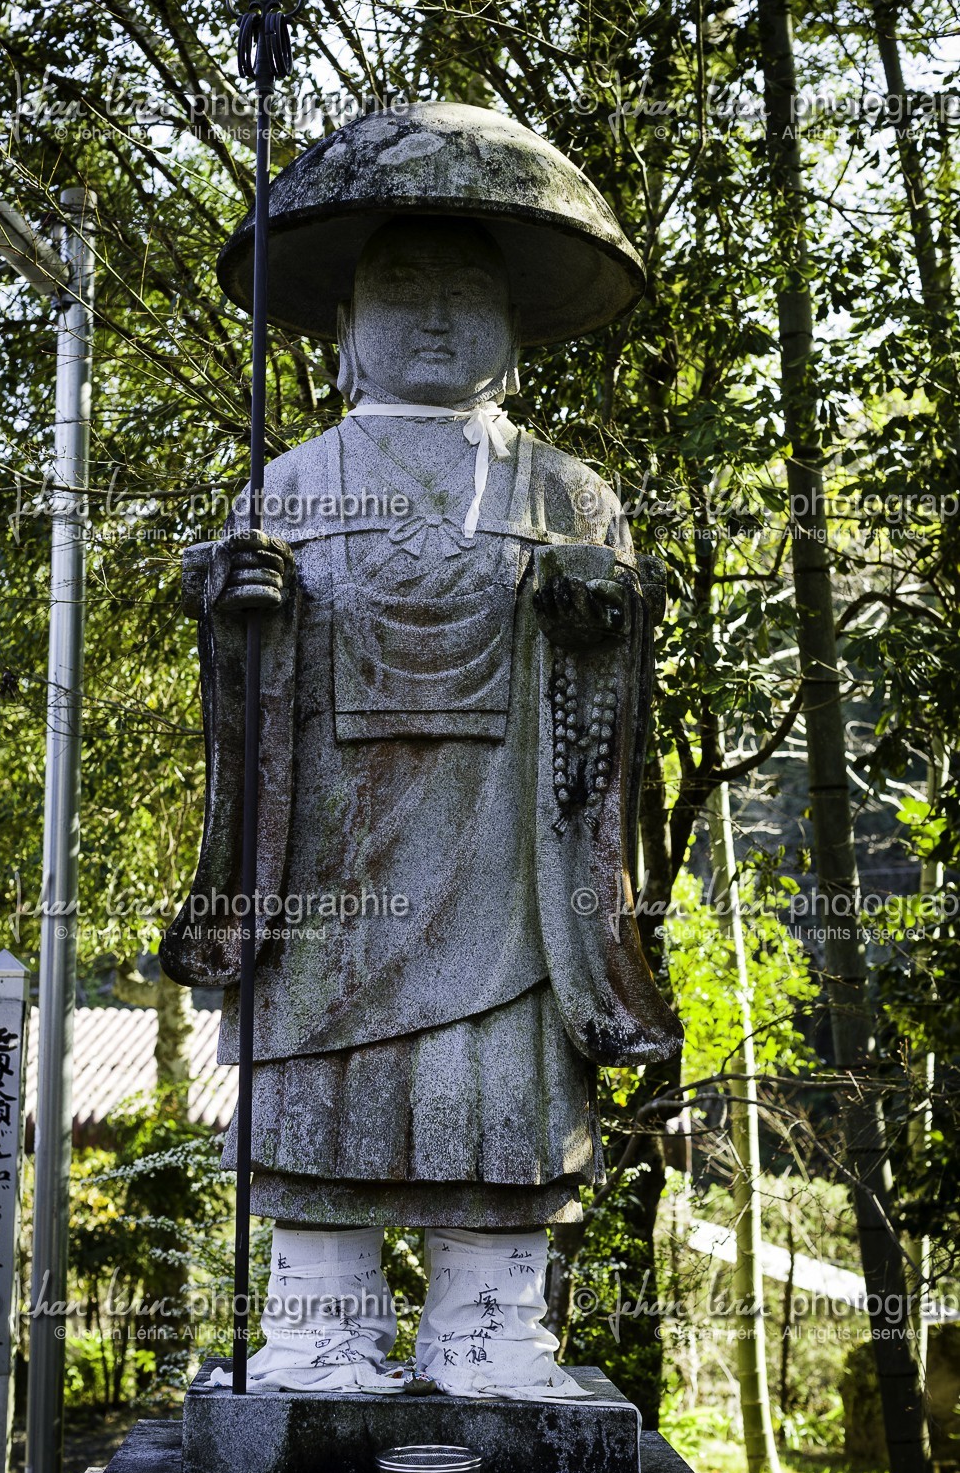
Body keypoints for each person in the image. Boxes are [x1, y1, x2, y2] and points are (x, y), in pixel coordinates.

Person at [162, 105, 682, 1401]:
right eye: (406, 290)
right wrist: (239, 611)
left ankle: (488, 1329)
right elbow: (241, 654)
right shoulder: (287, 484)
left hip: (506, 853)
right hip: (335, 850)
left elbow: (612, 653)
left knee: (500, 1077)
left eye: (466, 294)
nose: (439, 318)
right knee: (325, 1078)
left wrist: (590, 612)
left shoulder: (570, 493)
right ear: (348, 323)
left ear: (511, 327)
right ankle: (320, 1325)